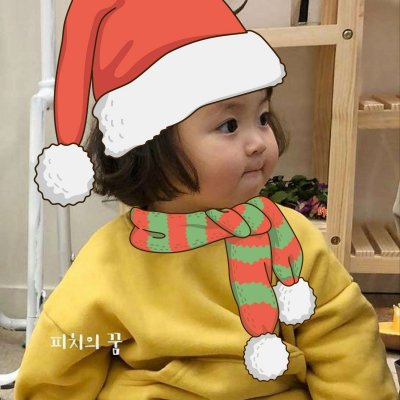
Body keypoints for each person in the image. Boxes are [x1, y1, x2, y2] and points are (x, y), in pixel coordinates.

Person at [15, 1, 397, 399]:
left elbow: (345, 342)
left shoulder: (290, 238)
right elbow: (62, 360)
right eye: (229, 125)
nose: (258, 141)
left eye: (262, 117)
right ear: (150, 146)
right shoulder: (109, 260)